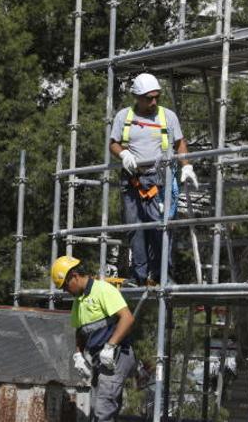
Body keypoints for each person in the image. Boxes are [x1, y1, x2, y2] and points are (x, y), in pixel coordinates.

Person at [109, 73, 198, 285]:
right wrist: (123, 154)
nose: (154, 101)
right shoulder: (124, 116)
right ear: (137, 97)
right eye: (149, 98)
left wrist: (186, 166)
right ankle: (139, 277)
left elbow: (179, 143)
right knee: (136, 228)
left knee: (161, 228)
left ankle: (162, 276)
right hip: (133, 180)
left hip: (159, 180)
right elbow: (113, 143)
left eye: (156, 96)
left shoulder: (167, 116)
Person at [51, 255, 136, 421]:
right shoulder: (79, 301)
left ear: (74, 276)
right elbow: (80, 330)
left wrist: (111, 346)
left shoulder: (102, 290)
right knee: (99, 407)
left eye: (65, 286)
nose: (65, 291)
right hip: (100, 360)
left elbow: (127, 318)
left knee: (102, 410)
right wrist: (78, 355)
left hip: (117, 357)